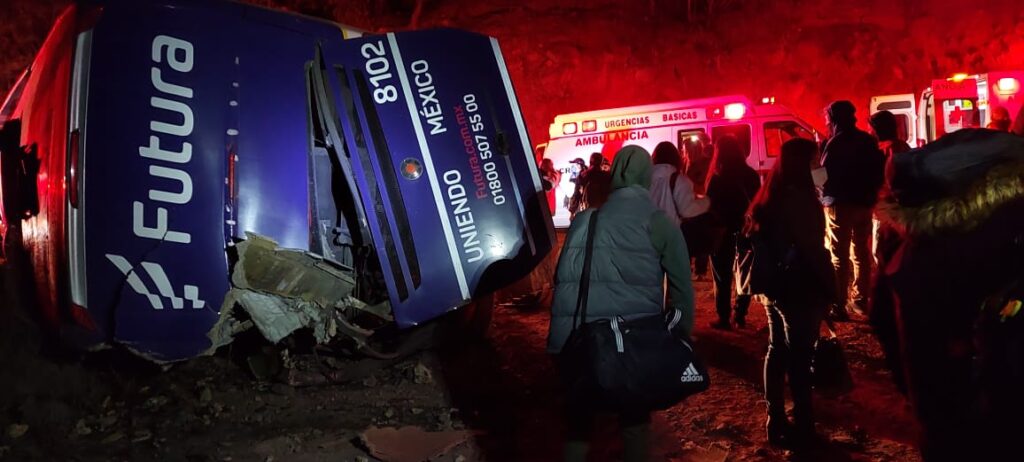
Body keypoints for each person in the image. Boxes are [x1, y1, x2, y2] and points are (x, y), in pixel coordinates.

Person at [871, 129, 1024, 461]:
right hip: (1003, 422)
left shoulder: (905, 239)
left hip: (938, 415)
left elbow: (880, 318)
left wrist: (920, 396)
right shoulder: (1009, 230)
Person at [548, 145, 695, 462]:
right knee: (635, 422)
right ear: (646, 176)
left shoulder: (585, 220)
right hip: (634, 344)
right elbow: (682, 287)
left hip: (582, 340)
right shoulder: (660, 223)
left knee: (579, 423)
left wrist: (560, 343)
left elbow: (563, 279)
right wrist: (680, 334)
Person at [746, 138, 835, 447]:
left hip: (775, 286)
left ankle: (775, 419)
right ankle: (804, 425)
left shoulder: (772, 194)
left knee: (777, 349)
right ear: (802, 165)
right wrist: (829, 288)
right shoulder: (800, 200)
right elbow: (812, 250)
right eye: (814, 161)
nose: (819, 167)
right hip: (799, 287)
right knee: (800, 358)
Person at [820, 101, 885, 320]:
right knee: (861, 253)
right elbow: (878, 171)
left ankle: (838, 304)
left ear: (834, 119)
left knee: (838, 256)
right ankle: (860, 300)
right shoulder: (867, 140)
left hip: (839, 205)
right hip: (864, 204)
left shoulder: (835, 143)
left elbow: (824, 175)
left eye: (827, 119)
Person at [705, 135, 761, 329]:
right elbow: (758, 201)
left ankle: (723, 317)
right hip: (745, 229)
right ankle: (740, 314)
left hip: (722, 230)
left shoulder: (717, 177)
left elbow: (709, 204)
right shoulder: (750, 174)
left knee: (722, 275)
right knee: (744, 271)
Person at [649, 141, 710, 226]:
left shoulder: (645, 180)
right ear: (675, 157)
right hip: (671, 230)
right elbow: (687, 210)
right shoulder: (679, 180)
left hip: (649, 231)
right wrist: (706, 201)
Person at [568, 152, 612, 219]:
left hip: (589, 211)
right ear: (601, 162)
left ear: (590, 161)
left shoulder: (583, 176)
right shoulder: (606, 176)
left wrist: (572, 211)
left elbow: (577, 194)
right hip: (604, 211)